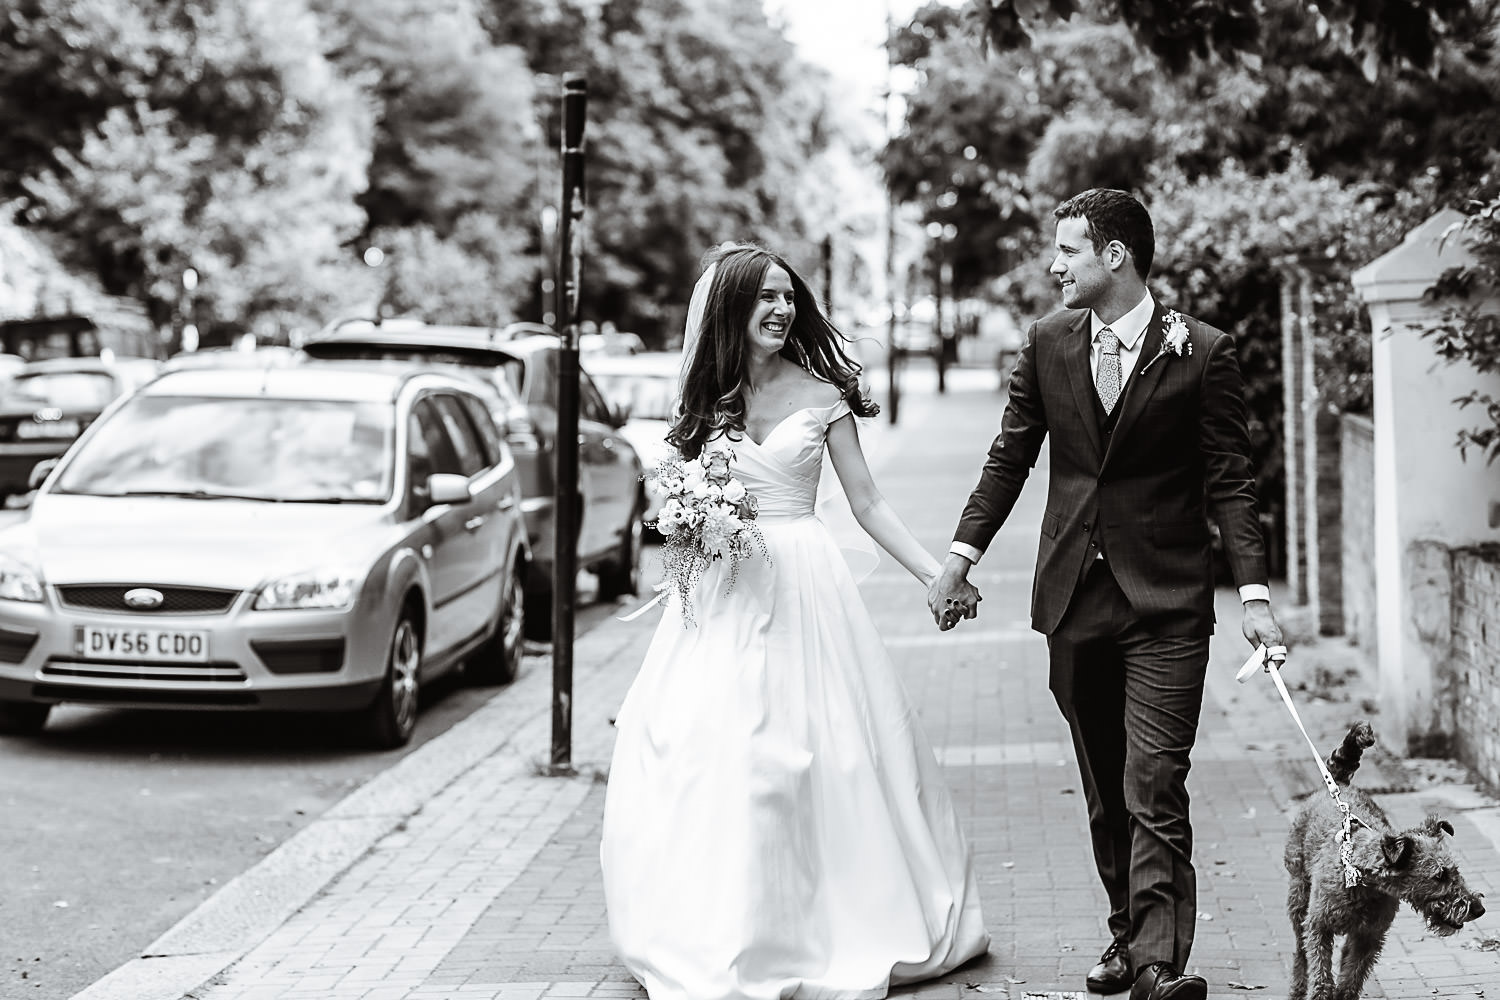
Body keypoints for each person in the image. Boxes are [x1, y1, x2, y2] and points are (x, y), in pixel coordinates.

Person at [601, 243, 990, 1000]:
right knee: (712, 757)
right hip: (721, 599)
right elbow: (675, 500)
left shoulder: (823, 394)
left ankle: (823, 922)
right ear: (731, 312)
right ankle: (719, 928)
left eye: (788, 297)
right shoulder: (706, 402)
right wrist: (690, 522)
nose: (781, 310)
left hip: (805, 589)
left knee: (817, 756)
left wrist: (939, 574)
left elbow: (868, 503)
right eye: (764, 299)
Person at [927, 189, 1285, 1000]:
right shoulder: (1050, 342)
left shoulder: (1201, 349)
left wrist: (1254, 596)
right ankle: (1127, 935)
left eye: (1068, 250)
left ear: (1114, 256)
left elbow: (1232, 479)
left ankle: (1160, 963)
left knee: (1154, 779)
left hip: (1167, 603)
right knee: (1105, 780)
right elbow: (1008, 458)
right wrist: (960, 556)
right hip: (1074, 597)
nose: (1055, 265)